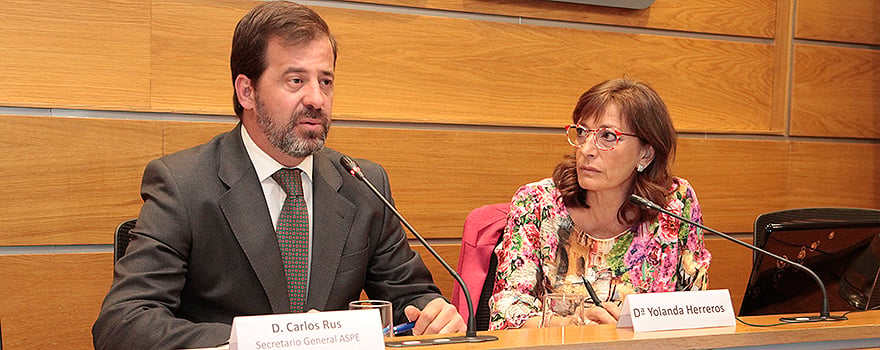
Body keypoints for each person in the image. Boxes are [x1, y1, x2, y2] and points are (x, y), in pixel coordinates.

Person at [92, 2, 465, 349]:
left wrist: (432, 312)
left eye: (326, 81)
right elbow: (123, 323)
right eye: (296, 80)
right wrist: (259, 340)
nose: (316, 99)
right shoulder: (184, 184)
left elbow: (410, 299)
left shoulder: (361, 183)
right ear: (247, 91)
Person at [488, 78, 711, 330]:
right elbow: (506, 311)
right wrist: (569, 325)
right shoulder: (537, 202)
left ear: (645, 154)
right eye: (582, 132)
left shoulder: (676, 203)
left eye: (607, 136)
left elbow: (697, 307)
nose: (586, 149)